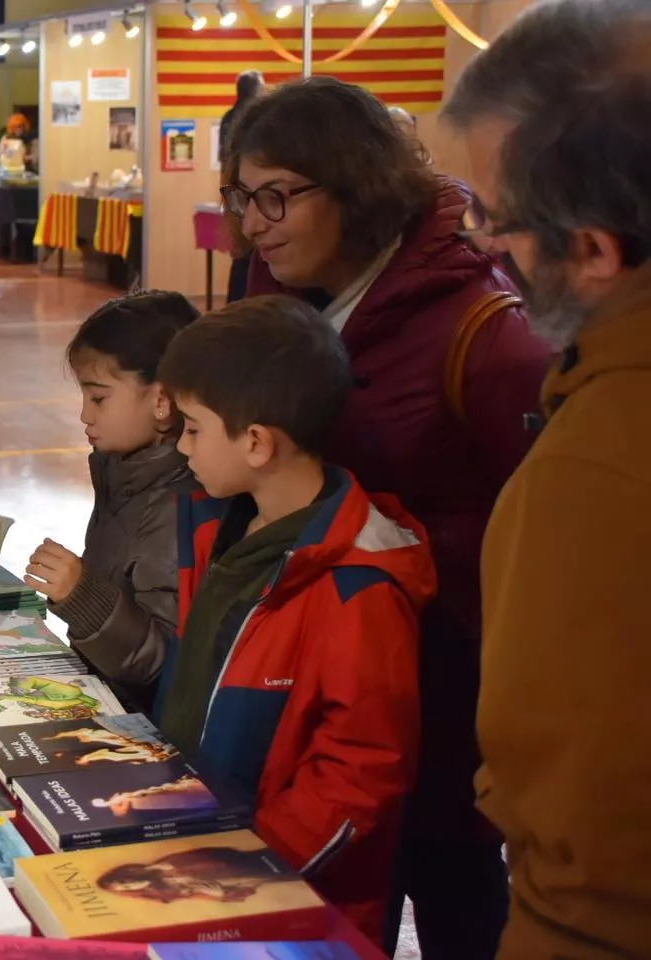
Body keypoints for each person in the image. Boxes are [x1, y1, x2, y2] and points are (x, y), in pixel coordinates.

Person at [224, 76, 552, 958]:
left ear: (357, 186)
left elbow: (545, 520)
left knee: (452, 887)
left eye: (278, 196)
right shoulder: (275, 279)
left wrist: (406, 557)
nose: (254, 221)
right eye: (241, 196)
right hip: (314, 651)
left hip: (441, 670)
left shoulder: (479, 326)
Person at [443, 1, 651, 955]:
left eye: (492, 215)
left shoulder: (603, 467)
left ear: (596, 251)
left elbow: (586, 862)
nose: (484, 244)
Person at [154, 295, 435, 942]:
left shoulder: (358, 588)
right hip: (197, 870)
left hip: (293, 908)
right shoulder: (219, 527)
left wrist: (243, 870)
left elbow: (360, 774)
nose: (180, 445)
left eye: (194, 427)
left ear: (255, 442)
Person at [23, 292, 201, 712]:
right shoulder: (123, 474)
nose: (85, 415)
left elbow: (159, 662)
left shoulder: (178, 505)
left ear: (161, 401)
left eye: (99, 397)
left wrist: (81, 595)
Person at [219, 70, 263, 305]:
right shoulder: (254, 120)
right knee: (250, 256)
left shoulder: (229, 117)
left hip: (234, 192)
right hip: (243, 191)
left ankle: (235, 306)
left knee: (243, 255)